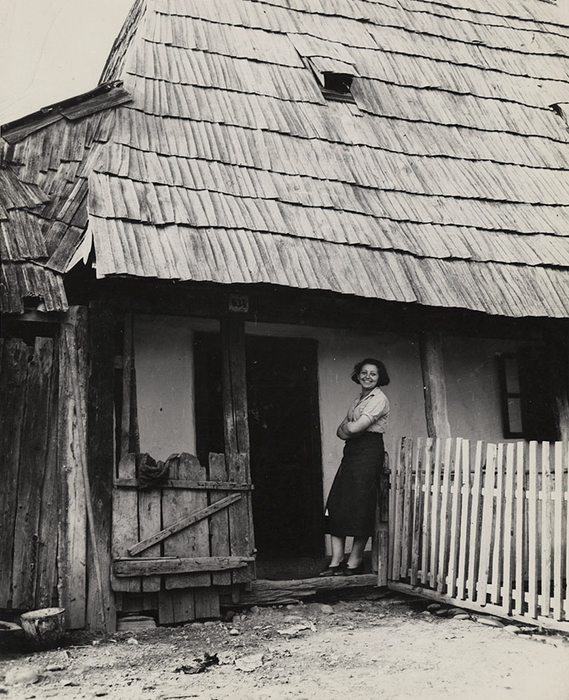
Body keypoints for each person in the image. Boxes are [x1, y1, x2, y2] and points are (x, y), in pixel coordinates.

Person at [320, 358, 390, 576]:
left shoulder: (379, 399)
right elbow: (341, 432)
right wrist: (350, 429)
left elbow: (356, 427)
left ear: (380, 377)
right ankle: (336, 561)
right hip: (351, 453)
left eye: (373, 374)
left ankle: (355, 561)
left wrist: (350, 428)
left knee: (361, 505)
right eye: (364, 372)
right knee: (337, 503)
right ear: (358, 375)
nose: (367, 377)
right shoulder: (358, 400)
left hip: (368, 453)